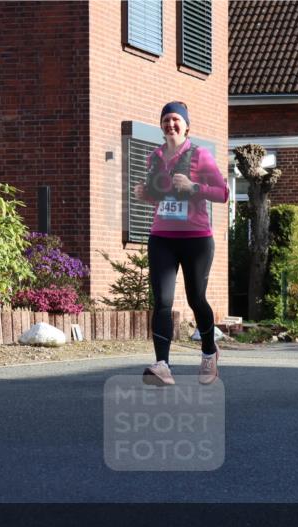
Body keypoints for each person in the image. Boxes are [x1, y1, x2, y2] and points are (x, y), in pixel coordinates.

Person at [133, 101, 228, 386]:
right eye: (166, 120)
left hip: (196, 239)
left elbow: (223, 192)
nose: (170, 124)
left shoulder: (200, 156)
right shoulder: (154, 157)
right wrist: (144, 194)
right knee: (162, 301)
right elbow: (158, 195)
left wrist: (195, 187)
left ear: (186, 126)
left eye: (176, 120)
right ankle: (162, 365)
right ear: (161, 126)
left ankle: (209, 353)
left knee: (195, 298)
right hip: (162, 237)